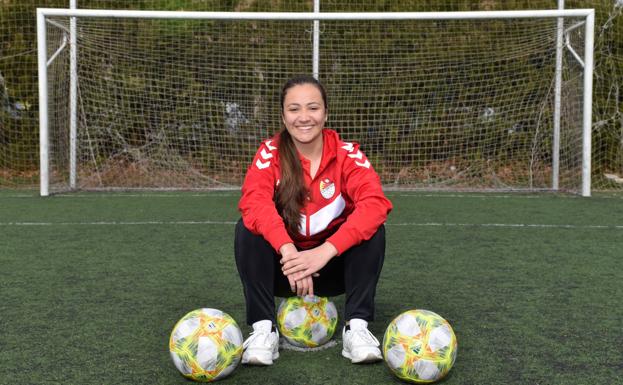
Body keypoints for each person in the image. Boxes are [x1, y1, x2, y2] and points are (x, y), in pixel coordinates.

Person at [234, 74, 392, 366]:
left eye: (313, 108)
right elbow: (254, 203)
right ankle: (262, 330)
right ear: (283, 116)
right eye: (294, 109)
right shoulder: (269, 154)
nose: (304, 117)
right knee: (247, 228)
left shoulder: (348, 156)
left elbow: (375, 204)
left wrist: (324, 252)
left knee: (373, 230)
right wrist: (289, 252)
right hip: (286, 271)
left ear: (326, 113)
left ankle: (356, 328)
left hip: (332, 268)